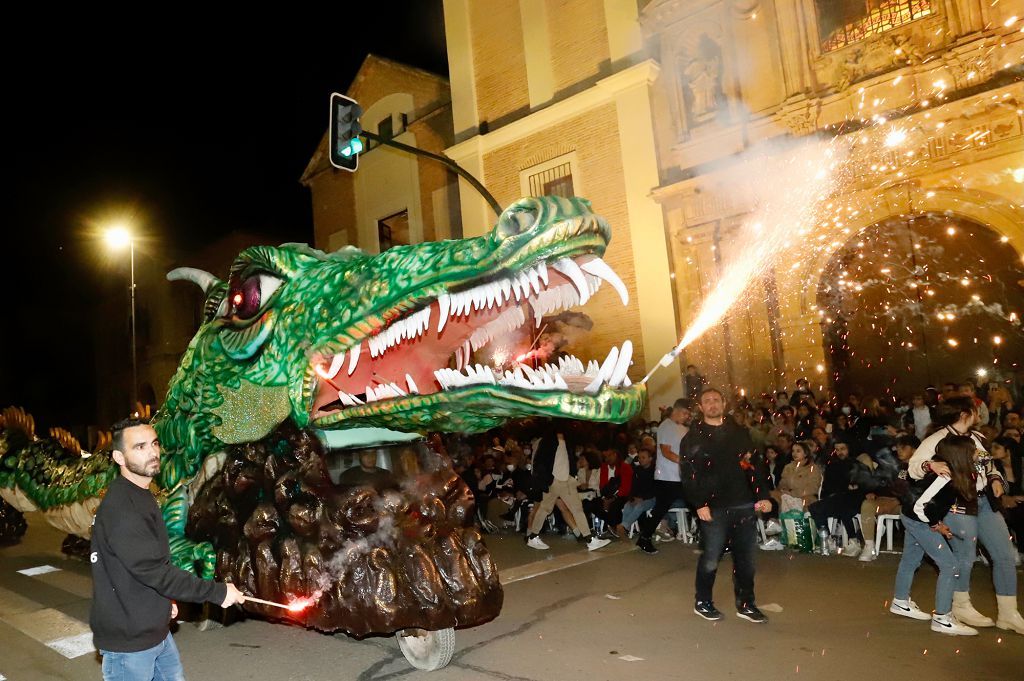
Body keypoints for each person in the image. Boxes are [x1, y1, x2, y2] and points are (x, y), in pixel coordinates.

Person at [90, 418, 246, 681]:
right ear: (119, 456)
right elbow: (154, 572)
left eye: (154, 443)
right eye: (139, 447)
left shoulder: (141, 494)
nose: (152, 452)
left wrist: (164, 602)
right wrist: (217, 592)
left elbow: (147, 564)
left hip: (153, 630)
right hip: (130, 643)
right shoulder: (123, 509)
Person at [909, 396, 1024, 634]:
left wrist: (994, 479)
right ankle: (960, 604)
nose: (978, 413)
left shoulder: (976, 437)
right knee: (965, 555)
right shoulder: (937, 439)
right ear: (964, 413)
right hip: (958, 503)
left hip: (984, 501)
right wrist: (930, 466)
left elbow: (988, 464)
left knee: (1004, 553)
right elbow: (913, 467)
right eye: (974, 410)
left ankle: (1008, 612)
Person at [681, 388, 773, 623]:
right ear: (700, 408)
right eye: (707, 401)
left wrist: (762, 495)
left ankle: (746, 604)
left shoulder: (740, 434)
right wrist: (699, 503)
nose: (712, 404)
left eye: (716, 400)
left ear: (723, 404)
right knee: (711, 557)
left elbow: (752, 467)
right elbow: (689, 474)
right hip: (713, 508)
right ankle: (703, 602)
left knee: (746, 560)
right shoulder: (692, 437)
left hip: (743, 504)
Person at [891, 435, 981, 636]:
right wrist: (935, 524)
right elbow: (920, 504)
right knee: (950, 565)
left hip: (913, 517)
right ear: (962, 454)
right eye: (973, 449)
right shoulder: (945, 476)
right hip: (918, 519)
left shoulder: (953, 472)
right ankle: (942, 618)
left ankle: (900, 601)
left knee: (910, 560)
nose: (977, 452)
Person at [526, 423, 611, 552]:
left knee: (555, 509)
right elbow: (540, 461)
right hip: (556, 480)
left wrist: (570, 476)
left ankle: (533, 537)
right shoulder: (547, 441)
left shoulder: (565, 441)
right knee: (552, 509)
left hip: (565, 480)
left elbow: (567, 461)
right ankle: (589, 540)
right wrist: (548, 479)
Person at [635, 398, 690, 554]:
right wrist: (685, 462)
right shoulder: (666, 426)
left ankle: (644, 538)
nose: (687, 417)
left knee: (666, 508)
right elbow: (666, 452)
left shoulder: (681, 428)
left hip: (678, 476)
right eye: (685, 413)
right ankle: (644, 538)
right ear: (677, 410)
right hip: (667, 477)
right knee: (662, 509)